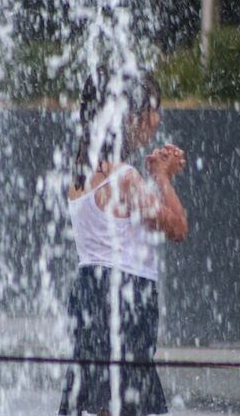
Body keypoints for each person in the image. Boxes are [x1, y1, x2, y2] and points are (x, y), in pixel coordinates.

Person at [58, 69, 188, 416]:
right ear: (130, 116)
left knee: (94, 400)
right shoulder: (124, 179)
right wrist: (162, 177)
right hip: (123, 298)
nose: (157, 119)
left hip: (89, 293)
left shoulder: (80, 176)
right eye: (153, 109)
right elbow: (177, 227)